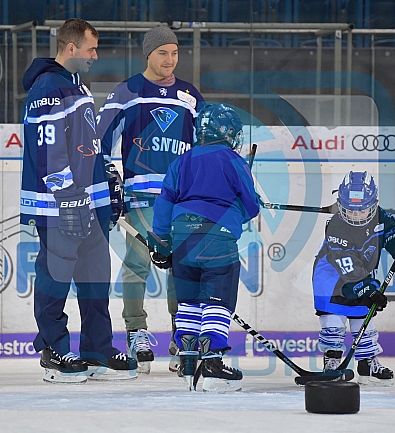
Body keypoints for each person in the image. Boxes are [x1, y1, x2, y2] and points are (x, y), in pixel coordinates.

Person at [20, 18, 136, 384]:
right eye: (90, 49)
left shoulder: (76, 86)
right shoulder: (48, 87)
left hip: (87, 204)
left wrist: (107, 182)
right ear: (71, 48)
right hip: (60, 207)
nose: (95, 56)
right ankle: (53, 349)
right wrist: (69, 198)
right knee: (56, 276)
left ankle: (96, 347)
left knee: (95, 276)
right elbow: (49, 150)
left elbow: (86, 147)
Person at [96, 24, 205, 374]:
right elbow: (100, 137)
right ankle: (136, 330)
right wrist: (109, 176)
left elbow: (209, 144)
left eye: (174, 53)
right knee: (138, 262)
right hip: (142, 195)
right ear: (148, 54)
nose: (170, 60)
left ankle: (181, 334)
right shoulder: (130, 90)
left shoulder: (189, 95)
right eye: (162, 53)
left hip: (182, 196)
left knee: (180, 267)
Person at [150, 104, 260, 392]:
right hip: (218, 239)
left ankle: (188, 359)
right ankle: (211, 363)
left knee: (189, 301)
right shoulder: (235, 161)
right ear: (227, 134)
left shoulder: (181, 162)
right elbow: (251, 206)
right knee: (217, 300)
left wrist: (161, 243)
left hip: (183, 240)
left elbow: (164, 203)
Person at [311, 171, 395, 386]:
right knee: (334, 322)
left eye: (362, 211)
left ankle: (367, 363)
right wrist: (370, 289)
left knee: (363, 318)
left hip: (361, 275)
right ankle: (332, 362)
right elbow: (348, 268)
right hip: (331, 280)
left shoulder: (379, 215)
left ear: (374, 204)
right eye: (349, 211)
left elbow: (389, 230)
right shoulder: (336, 227)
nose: (356, 216)